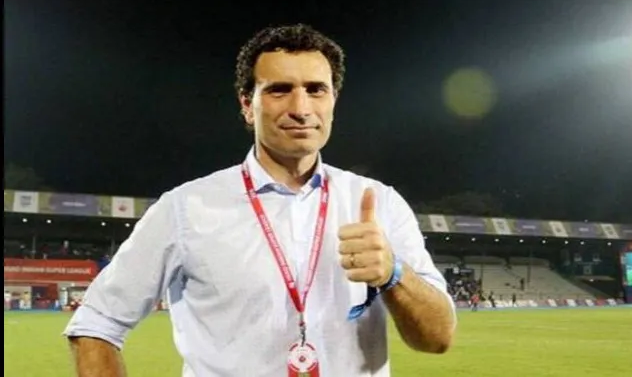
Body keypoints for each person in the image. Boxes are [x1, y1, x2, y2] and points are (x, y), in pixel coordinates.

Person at [63, 23, 456, 377]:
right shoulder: (185, 209)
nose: (301, 109)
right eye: (279, 90)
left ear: (333, 101)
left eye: (315, 89)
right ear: (246, 105)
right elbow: (95, 325)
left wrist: (393, 274)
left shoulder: (379, 203)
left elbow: (437, 338)